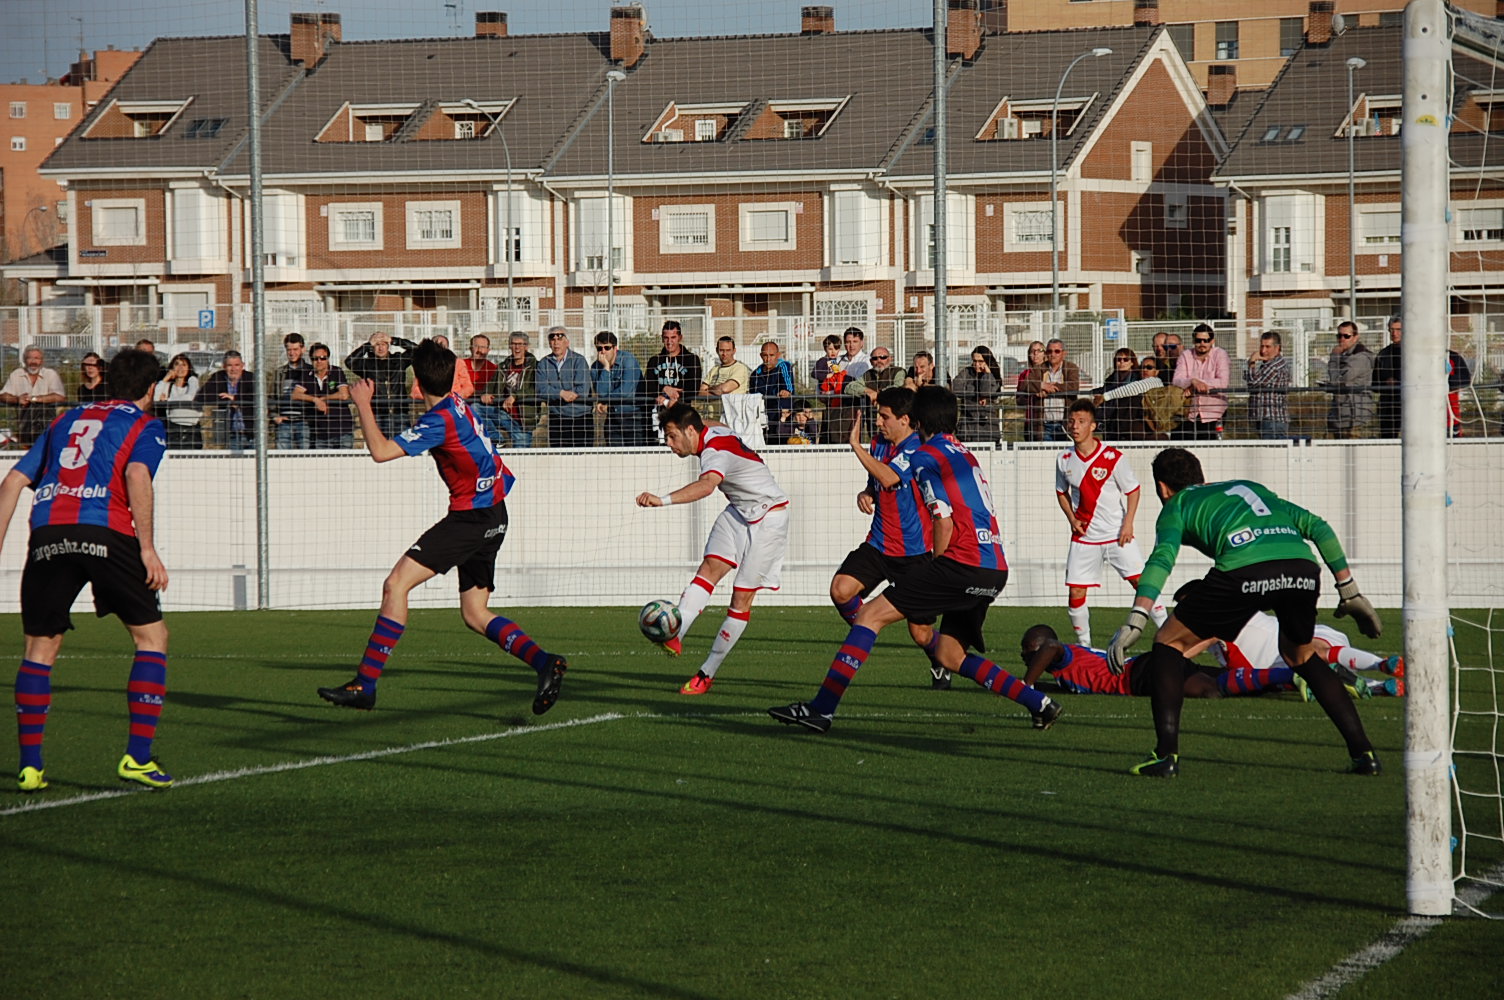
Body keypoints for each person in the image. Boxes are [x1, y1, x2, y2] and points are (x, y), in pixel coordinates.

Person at [767, 385, 1063, 733]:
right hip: (993, 567)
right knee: (949, 655)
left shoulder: (925, 456)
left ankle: (822, 709)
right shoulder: (963, 452)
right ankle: (1039, 703)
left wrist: (937, 565)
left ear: (918, 420)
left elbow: (942, 516)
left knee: (869, 615)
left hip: (960, 564)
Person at [316, 339, 567, 715]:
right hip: (494, 513)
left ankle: (364, 684)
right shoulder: (457, 405)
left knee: (395, 585)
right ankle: (545, 662)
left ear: (417, 382)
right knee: (475, 613)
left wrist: (363, 405)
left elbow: (381, 452)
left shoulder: (438, 420)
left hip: (471, 518)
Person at [1105, 447, 1384, 778]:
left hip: (1243, 571)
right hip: (1302, 569)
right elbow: (1318, 527)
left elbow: (1162, 558)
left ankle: (1165, 756)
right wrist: (1348, 589)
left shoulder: (1176, 506)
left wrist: (1137, 617)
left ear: (1163, 488)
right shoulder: (1250, 488)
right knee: (1301, 656)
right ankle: (1364, 754)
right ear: (1201, 477)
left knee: (1168, 641)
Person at [1, 348, 172, 791]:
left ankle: (30, 767)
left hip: (49, 531)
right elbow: (137, 474)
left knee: (39, 648)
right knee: (151, 638)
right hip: (105, 531)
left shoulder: (64, 420)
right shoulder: (144, 424)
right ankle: (137, 757)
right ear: (152, 388)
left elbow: (13, 482)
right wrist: (148, 549)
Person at [634, 402, 790, 696]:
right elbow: (707, 420)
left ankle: (707, 674)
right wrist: (673, 411)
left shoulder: (715, 453)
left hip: (769, 517)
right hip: (740, 510)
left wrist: (661, 500)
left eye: (671, 436)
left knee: (740, 599)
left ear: (690, 431)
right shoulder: (711, 429)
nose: (669, 444)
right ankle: (676, 632)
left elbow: (707, 486)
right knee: (709, 569)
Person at [829, 386, 949, 689]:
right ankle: (864, 632)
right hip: (879, 545)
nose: (879, 422)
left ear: (905, 419)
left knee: (920, 634)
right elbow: (877, 480)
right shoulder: (880, 444)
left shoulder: (917, 449)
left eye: (884, 417)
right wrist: (866, 492)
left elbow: (890, 477)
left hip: (915, 554)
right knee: (841, 589)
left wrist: (855, 447)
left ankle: (940, 660)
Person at [1055, 399, 1165, 648]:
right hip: (1084, 538)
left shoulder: (1113, 457)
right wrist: (1072, 519)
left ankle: (1169, 635)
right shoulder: (1064, 459)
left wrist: (1128, 524)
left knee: (1143, 584)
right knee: (1076, 593)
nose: (1075, 426)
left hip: (1117, 535)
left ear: (1093, 426)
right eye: (1071, 421)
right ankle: (1085, 647)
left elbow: (1133, 490)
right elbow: (1061, 492)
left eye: (1081, 422)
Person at [1213, 610, 1406, 699]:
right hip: (1282, 665)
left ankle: (1381, 664)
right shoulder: (1211, 640)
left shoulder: (1232, 615)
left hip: (1307, 639)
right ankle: (1380, 688)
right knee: (1312, 681)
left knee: (1314, 654)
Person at [344, 331, 419, 439]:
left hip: (400, 412)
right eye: (377, 345)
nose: (380, 348)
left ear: (388, 346)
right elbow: (349, 362)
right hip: (378, 412)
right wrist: (367, 345)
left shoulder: (398, 360)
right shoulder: (366, 364)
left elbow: (417, 350)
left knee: (403, 446)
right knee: (380, 445)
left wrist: (394, 340)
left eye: (383, 344)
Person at [536, 326, 592, 448]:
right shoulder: (543, 363)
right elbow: (541, 390)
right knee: (559, 459)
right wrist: (561, 393)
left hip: (580, 417)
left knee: (583, 459)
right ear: (549, 343)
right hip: (557, 418)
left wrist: (554, 393)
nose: (556, 342)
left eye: (560, 338)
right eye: (553, 339)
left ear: (567, 342)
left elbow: (583, 389)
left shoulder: (579, 360)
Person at [1171, 323, 1229, 440]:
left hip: (1214, 413)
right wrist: (1192, 381)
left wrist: (1195, 384)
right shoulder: (1186, 355)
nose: (1202, 344)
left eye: (1206, 340)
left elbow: (1223, 382)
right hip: (1189, 413)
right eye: (1198, 340)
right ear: (1193, 341)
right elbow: (1176, 380)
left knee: (1211, 450)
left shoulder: (1220, 354)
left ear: (1212, 341)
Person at [1, 346, 67, 447]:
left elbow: (60, 396)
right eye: (29, 358)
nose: (33, 361)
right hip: (24, 424)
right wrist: (17, 399)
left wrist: (35, 399)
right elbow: (3, 395)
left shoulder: (50, 374)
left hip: (46, 423)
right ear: (24, 360)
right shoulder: (16, 374)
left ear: (42, 360)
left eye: (36, 358)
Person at [591, 331, 648, 446]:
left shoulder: (628, 361)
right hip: (612, 417)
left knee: (636, 456)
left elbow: (625, 392)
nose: (603, 352)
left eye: (607, 348)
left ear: (615, 348)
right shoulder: (596, 366)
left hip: (632, 416)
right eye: (599, 348)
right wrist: (606, 368)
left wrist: (607, 402)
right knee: (614, 456)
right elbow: (601, 393)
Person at [293, 343, 354, 449]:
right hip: (320, 432)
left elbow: (344, 394)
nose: (319, 361)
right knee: (322, 464)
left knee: (345, 463)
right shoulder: (307, 375)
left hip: (342, 430)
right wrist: (315, 400)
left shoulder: (336, 372)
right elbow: (295, 394)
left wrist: (324, 399)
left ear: (328, 359)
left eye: (323, 358)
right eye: (315, 359)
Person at [644, 321, 703, 424]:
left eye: (673, 337)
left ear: (680, 338)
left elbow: (693, 388)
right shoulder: (654, 360)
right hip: (659, 414)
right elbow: (647, 386)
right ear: (662, 338)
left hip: (682, 413)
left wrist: (675, 396)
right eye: (666, 338)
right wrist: (664, 389)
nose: (669, 341)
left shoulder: (691, 359)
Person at [486, 332, 538, 448]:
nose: (517, 347)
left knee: (521, 460)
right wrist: (486, 394)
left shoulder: (535, 366)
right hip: (503, 414)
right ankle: (497, 438)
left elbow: (536, 389)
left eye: (520, 344)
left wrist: (515, 396)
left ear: (526, 346)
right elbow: (491, 388)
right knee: (476, 409)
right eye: (514, 344)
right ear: (509, 346)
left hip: (522, 420)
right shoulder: (502, 366)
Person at [1020, 339, 1078, 442]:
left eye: (1057, 351)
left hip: (1065, 424)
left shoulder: (1071, 368)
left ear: (1064, 353)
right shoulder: (1039, 368)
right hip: (1044, 425)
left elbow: (1073, 386)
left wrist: (1052, 387)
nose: (1053, 354)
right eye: (1049, 351)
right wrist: (1041, 385)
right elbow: (1025, 385)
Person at [1324, 321, 1374, 439]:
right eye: (1339, 336)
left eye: (1346, 336)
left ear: (1355, 337)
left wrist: (1334, 358)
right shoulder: (1345, 355)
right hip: (1340, 414)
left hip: (1354, 417)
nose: (1342, 339)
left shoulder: (1360, 358)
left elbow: (1338, 379)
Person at [821, 327, 871, 443]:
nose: (851, 345)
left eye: (855, 342)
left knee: (851, 441)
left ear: (862, 343)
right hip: (834, 407)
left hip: (853, 407)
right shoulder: (837, 360)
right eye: (848, 342)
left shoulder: (865, 361)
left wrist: (835, 389)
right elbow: (825, 378)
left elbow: (857, 385)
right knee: (829, 441)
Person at [196, 350, 254, 450]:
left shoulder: (251, 377)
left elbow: (256, 397)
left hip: (252, 432)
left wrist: (235, 398)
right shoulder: (218, 377)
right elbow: (201, 396)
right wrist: (227, 400)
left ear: (242, 365)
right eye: (229, 365)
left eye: (237, 365)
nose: (233, 369)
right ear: (224, 366)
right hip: (230, 432)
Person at [1244, 331, 1292, 440]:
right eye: (1262, 346)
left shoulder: (1276, 365)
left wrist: (1252, 363)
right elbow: (1252, 381)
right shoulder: (1267, 364)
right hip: (1265, 417)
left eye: (1268, 347)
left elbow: (1254, 383)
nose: (1263, 351)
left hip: (1272, 419)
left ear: (1277, 348)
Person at [951, 346, 1002, 444]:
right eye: (974, 361)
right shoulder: (967, 372)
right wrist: (975, 392)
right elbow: (955, 388)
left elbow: (985, 392)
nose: (977, 365)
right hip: (967, 427)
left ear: (987, 361)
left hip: (987, 427)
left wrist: (987, 375)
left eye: (980, 361)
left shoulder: (993, 376)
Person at [154, 353, 203, 450]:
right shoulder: (168, 386)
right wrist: (165, 379)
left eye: (184, 365)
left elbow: (189, 398)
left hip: (191, 429)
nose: (180, 367)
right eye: (177, 364)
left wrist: (167, 401)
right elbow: (156, 398)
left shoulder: (193, 381)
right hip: (173, 428)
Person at [1094, 348, 1143, 441]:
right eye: (1118, 360)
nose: (1121, 362)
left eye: (1125, 360)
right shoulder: (1110, 379)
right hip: (1111, 419)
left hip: (1129, 418)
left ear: (1132, 362)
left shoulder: (1137, 378)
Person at [749, 340, 796, 435]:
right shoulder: (755, 374)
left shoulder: (784, 366)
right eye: (765, 355)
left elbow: (789, 388)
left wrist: (785, 391)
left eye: (771, 355)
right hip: (761, 417)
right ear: (761, 356)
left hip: (781, 416)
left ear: (778, 355)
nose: (768, 359)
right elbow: (752, 396)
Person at [274, 333, 312, 449]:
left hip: (304, 421)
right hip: (284, 422)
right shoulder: (280, 373)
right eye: (289, 349)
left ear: (303, 349)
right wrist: (275, 416)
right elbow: (272, 396)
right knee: (282, 459)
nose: (292, 353)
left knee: (306, 457)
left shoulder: (310, 371)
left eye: (295, 349)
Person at [410, 334, 473, 400]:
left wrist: (453, 398)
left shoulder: (458, 362)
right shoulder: (424, 365)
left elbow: (468, 388)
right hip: (433, 404)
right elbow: (414, 392)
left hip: (453, 403)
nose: (440, 349)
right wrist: (435, 399)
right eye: (437, 345)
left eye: (443, 346)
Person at [1371, 316, 1403, 439]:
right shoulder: (1383, 354)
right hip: (1388, 406)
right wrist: (1386, 383)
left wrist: (1399, 382)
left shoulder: (1414, 353)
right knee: (1387, 439)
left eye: (1398, 329)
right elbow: (1375, 384)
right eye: (1392, 330)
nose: (1395, 333)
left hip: (1409, 404)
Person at [1015, 341, 1047, 442]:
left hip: (1046, 418)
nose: (1035, 354)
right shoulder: (1025, 374)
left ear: (1044, 353)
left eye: (1039, 351)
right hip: (1030, 419)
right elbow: (1019, 399)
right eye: (1032, 351)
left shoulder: (1049, 372)